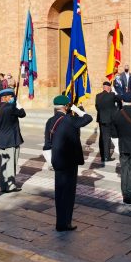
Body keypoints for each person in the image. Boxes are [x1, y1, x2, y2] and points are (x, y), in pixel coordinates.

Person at [45, 95, 93, 231]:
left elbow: (47, 144)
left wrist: (50, 162)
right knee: (69, 193)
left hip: (57, 161)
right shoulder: (70, 119)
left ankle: (59, 222)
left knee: (59, 192)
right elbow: (88, 118)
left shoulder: (50, 121)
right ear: (66, 107)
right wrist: (76, 109)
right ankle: (66, 223)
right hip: (70, 161)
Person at [0, 88, 26, 193]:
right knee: (11, 164)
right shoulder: (11, 108)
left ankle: (3, 186)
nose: (12, 99)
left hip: (1, 140)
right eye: (11, 97)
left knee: (3, 164)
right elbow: (23, 114)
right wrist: (17, 104)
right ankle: (11, 186)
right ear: (6, 97)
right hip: (12, 140)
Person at [95, 81, 120, 162]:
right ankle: (106, 157)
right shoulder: (112, 95)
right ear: (109, 87)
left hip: (101, 119)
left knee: (102, 137)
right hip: (109, 120)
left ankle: (102, 155)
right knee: (107, 138)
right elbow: (119, 100)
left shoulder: (98, 96)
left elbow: (97, 107)